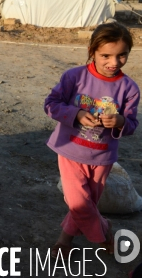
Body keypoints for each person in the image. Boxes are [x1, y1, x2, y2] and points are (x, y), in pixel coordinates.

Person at [44, 21, 139, 258]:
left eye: (122, 55)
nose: (114, 62)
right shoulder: (74, 77)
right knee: (79, 202)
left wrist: (119, 122)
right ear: (92, 52)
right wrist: (75, 114)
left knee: (88, 204)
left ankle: (64, 241)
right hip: (70, 151)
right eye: (106, 55)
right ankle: (104, 231)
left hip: (103, 156)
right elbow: (51, 105)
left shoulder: (129, 88)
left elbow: (131, 125)